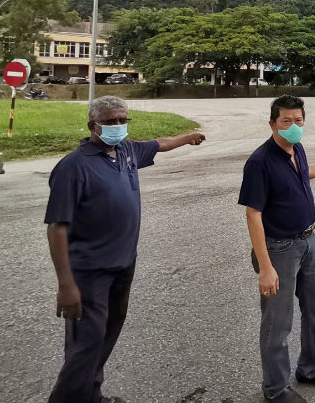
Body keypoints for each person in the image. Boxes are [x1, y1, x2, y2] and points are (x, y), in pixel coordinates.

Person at [44, 95, 206, 403]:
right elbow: (57, 227)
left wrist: (188, 137)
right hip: (89, 272)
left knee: (106, 335)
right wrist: (66, 285)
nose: (118, 125)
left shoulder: (126, 151)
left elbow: (161, 143)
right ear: (93, 125)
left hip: (123, 264)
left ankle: (90, 394)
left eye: (122, 120)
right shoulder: (73, 167)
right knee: (86, 344)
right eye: (110, 121)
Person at [239, 95, 315, 403]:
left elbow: (306, 172)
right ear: (273, 124)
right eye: (286, 121)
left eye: (298, 120)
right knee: (278, 321)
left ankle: (310, 368)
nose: (293, 126)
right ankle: (275, 388)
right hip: (279, 248)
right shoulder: (260, 162)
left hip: (308, 239)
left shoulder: (296, 148)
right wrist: (265, 267)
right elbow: (253, 214)